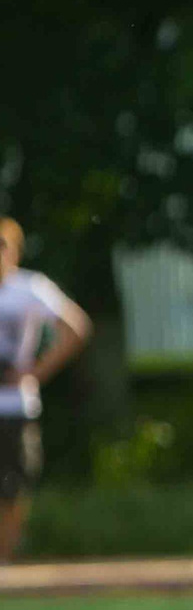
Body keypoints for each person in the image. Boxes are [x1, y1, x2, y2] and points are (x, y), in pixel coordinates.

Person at [0, 219, 92, 565]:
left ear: (15, 251)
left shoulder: (30, 288)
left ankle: (4, 564)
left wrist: (34, 373)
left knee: (12, 488)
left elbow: (76, 328)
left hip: (14, 405)